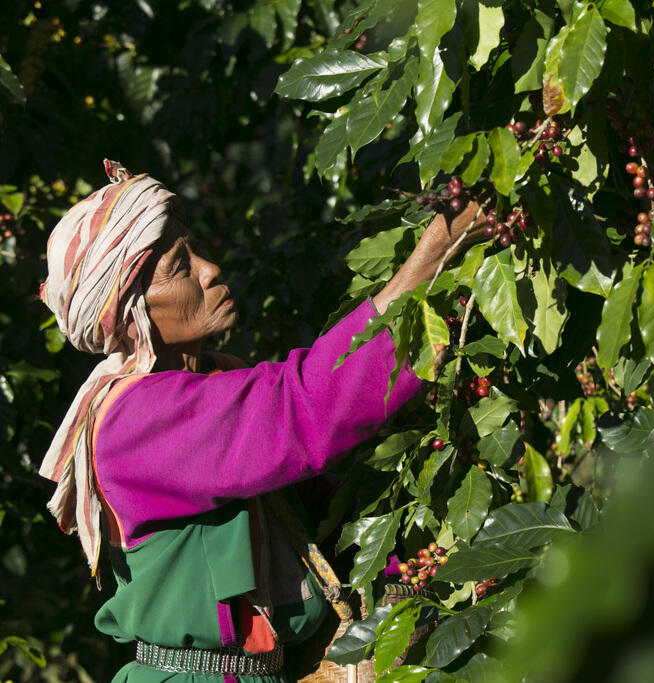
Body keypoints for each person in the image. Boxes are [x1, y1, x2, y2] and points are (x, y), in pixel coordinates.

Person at [37, 160, 482, 682]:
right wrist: (433, 254)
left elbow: (316, 511)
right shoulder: (136, 422)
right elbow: (304, 408)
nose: (210, 269)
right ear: (132, 311)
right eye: (181, 266)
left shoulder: (209, 387)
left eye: (195, 249)